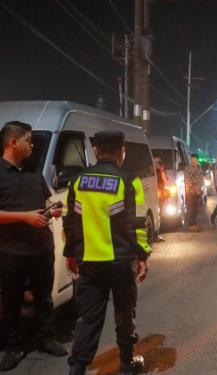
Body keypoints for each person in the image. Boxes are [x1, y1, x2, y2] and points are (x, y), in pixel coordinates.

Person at [64, 130, 151, 375]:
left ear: (95, 150)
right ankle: (126, 364)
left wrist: (71, 254)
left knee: (88, 319)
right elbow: (136, 224)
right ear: (122, 150)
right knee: (124, 314)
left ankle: (76, 370)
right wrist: (142, 256)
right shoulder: (128, 179)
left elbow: (71, 223)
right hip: (120, 262)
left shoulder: (78, 181)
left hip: (89, 261)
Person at [0, 121, 67, 371]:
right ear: (13, 142)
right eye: (28, 140)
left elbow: (47, 199)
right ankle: (13, 347)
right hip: (11, 251)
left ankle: (47, 339)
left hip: (40, 248)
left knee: (44, 297)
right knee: (11, 301)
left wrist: (54, 210)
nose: (32, 145)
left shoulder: (33, 172)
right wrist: (23, 217)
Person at [184, 154, 205, 231]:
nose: (193, 161)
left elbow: (201, 180)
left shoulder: (200, 169)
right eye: (192, 160)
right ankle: (191, 225)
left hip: (197, 192)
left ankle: (194, 223)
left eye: (195, 160)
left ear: (197, 161)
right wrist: (195, 187)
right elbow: (187, 180)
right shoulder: (187, 169)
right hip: (190, 192)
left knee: (195, 208)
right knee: (190, 208)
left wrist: (198, 189)